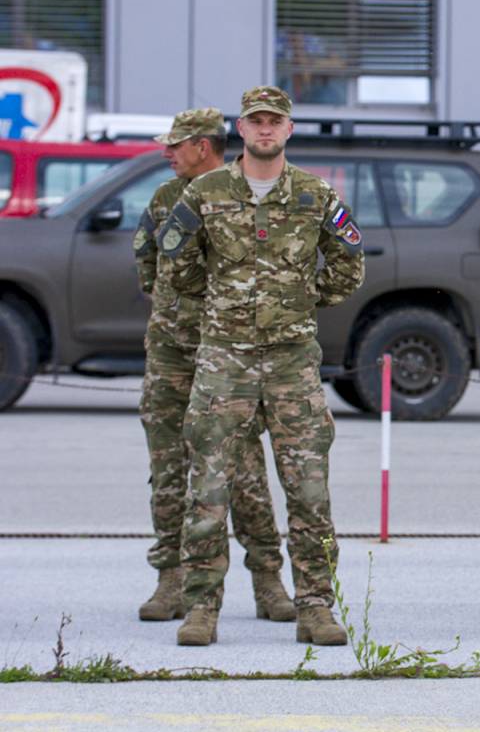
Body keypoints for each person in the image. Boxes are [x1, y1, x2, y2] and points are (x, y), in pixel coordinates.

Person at [156, 86, 365, 646]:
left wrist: (302, 299)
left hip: (292, 361)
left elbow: (349, 261)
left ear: (289, 129)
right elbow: (176, 262)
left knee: (309, 491)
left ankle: (316, 607)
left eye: (275, 121)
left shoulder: (315, 194)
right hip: (224, 359)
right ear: (241, 129)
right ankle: (201, 608)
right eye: (256, 121)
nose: (266, 129)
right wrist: (222, 302)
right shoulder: (206, 192)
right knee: (208, 488)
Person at [133, 108, 293, 624]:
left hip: (228, 355)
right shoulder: (165, 200)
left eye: (175, 144)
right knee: (169, 470)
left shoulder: (243, 195)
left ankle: (268, 579)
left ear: (203, 146)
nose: (167, 153)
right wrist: (177, 315)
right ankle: (171, 580)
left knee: (244, 472)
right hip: (172, 356)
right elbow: (148, 265)